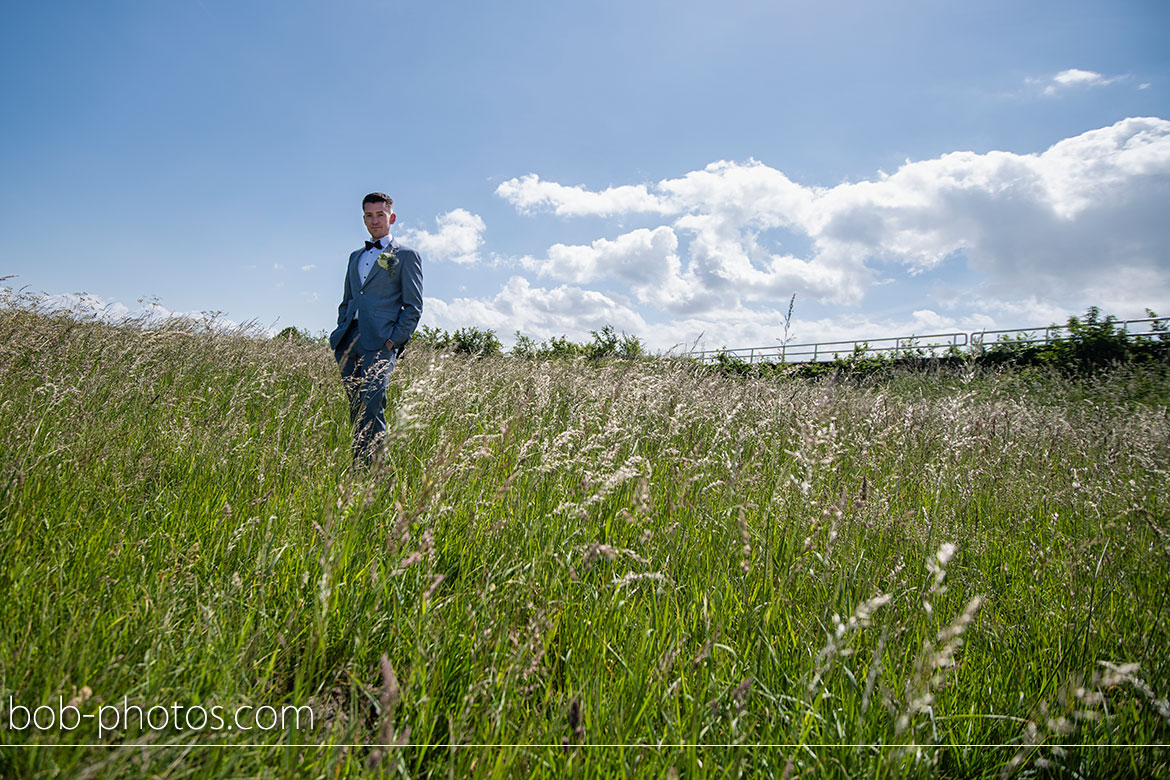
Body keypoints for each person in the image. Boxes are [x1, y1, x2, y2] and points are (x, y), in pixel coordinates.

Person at [329, 192, 424, 463]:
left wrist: (393, 341)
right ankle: (356, 467)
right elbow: (348, 299)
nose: (375, 220)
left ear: (391, 218)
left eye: (380, 215)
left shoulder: (406, 255)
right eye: (369, 215)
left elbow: (413, 306)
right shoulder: (354, 256)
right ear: (363, 219)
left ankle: (373, 474)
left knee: (372, 406)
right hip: (348, 341)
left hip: (381, 342)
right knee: (356, 408)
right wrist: (340, 331)